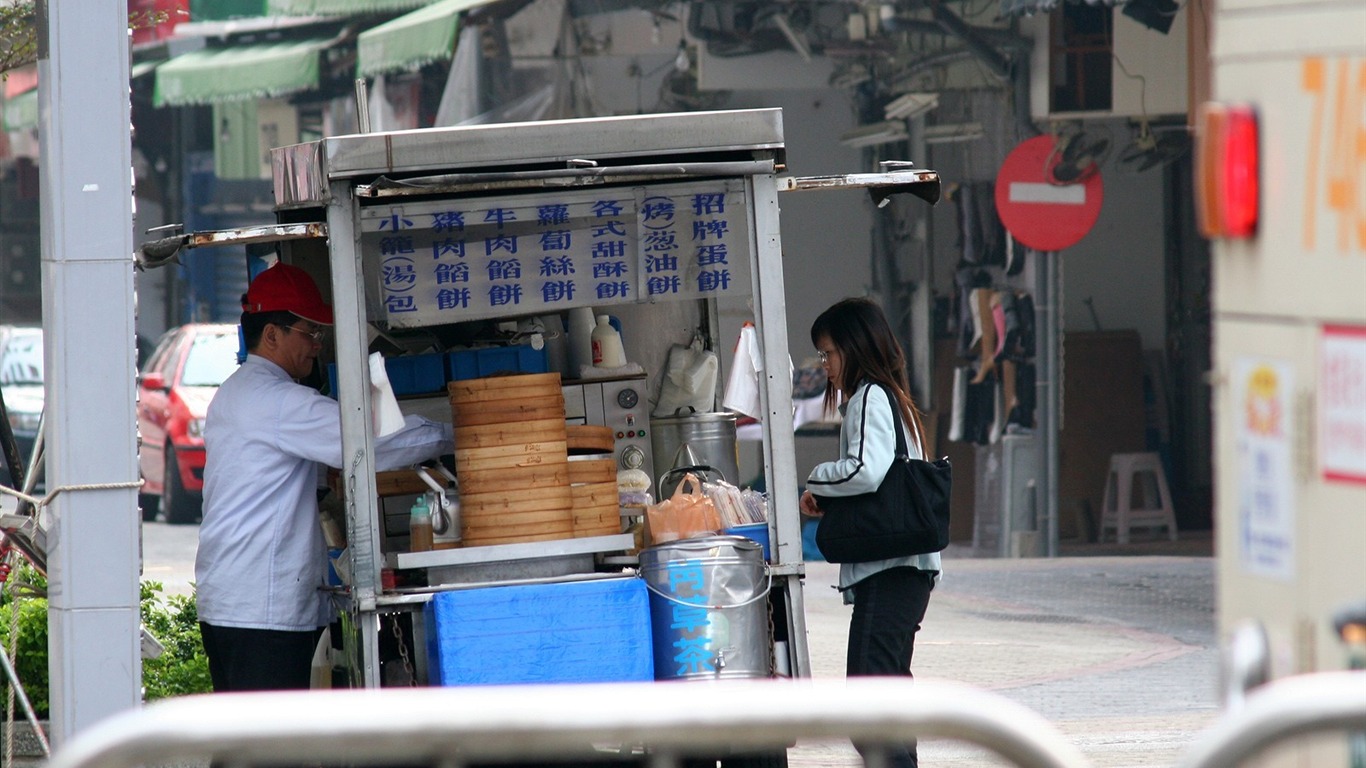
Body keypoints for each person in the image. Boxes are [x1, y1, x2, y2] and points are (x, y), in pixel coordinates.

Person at [196, 263, 454, 693]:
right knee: (268, 746)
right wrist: (456, 433)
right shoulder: (276, 401)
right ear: (272, 334)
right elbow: (367, 444)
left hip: (235, 599)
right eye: (309, 333)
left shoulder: (238, 391)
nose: (318, 346)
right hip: (262, 609)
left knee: (244, 745)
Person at [799, 297, 940, 768]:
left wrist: (815, 479)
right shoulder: (893, 397)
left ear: (854, 348)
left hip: (889, 571)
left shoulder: (869, 397)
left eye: (829, 353)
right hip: (908, 571)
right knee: (888, 702)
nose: (826, 367)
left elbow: (865, 470)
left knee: (867, 708)